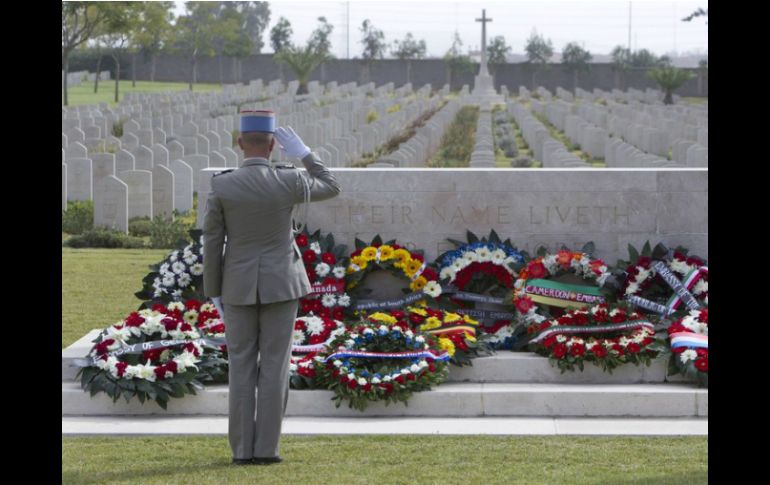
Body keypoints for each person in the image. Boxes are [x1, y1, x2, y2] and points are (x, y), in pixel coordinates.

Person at [202, 110, 341, 465]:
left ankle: (241, 450)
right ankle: (267, 449)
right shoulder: (289, 180)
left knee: (241, 367)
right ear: (274, 145)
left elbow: (212, 241)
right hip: (282, 284)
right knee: (275, 366)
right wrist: (304, 154)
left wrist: (213, 290)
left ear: (239, 143)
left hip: (237, 285)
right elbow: (330, 185)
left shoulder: (223, 185)